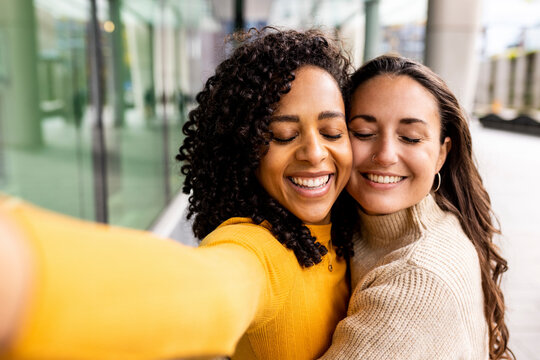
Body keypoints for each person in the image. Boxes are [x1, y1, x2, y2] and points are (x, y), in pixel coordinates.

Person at [0, 28, 354, 360]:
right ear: (246, 149)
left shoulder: (351, 230)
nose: (315, 152)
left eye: (333, 132)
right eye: (283, 135)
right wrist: (20, 270)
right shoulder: (257, 249)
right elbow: (205, 289)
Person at [320, 55, 513, 360]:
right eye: (363, 133)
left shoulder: (416, 280)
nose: (384, 155)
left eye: (410, 138)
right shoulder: (355, 226)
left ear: (441, 154)